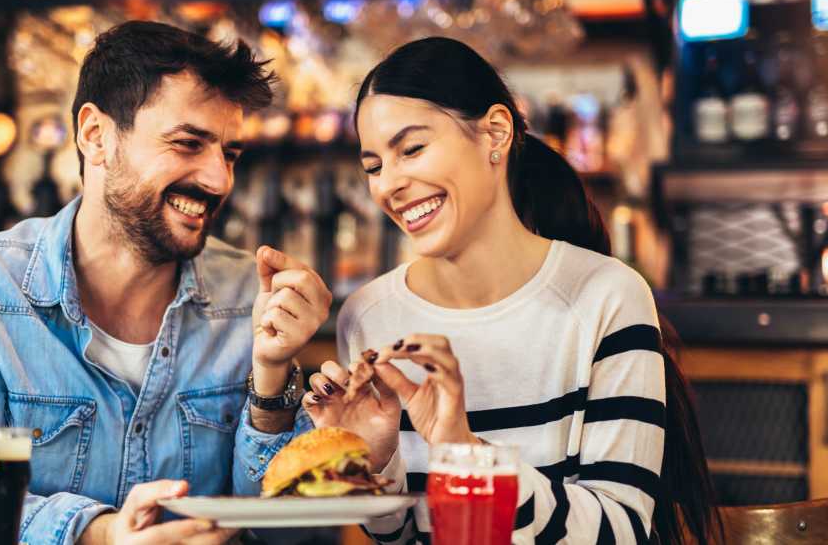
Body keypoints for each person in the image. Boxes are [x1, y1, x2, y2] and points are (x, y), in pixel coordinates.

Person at [0, 21, 329, 545]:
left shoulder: (251, 297)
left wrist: (271, 378)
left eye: (229, 154)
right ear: (95, 136)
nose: (219, 180)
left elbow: (287, 534)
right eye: (188, 143)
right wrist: (101, 536)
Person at [303, 37, 721, 544]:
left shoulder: (606, 297)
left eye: (411, 149)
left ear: (494, 133)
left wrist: (465, 451)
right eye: (373, 166)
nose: (389, 184)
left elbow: (621, 529)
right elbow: (400, 537)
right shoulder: (370, 316)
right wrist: (375, 462)